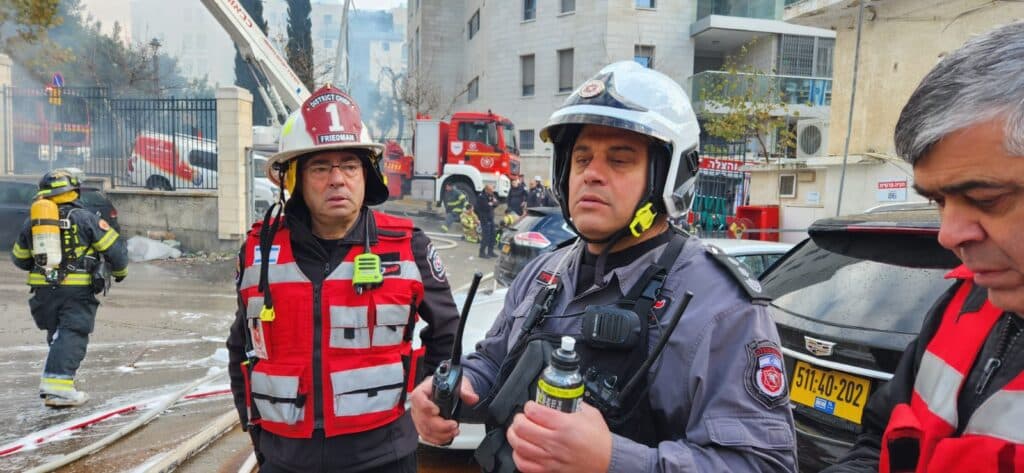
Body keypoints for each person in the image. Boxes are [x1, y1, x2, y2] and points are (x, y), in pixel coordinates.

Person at [410, 61, 796, 472]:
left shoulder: (720, 306)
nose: (591, 174)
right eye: (581, 158)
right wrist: (459, 386)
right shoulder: (545, 272)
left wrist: (615, 461)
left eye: (619, 160)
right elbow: (493, 359)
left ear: (668, 176)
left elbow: (763, 464)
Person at [226, 85, 459, 473]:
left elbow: (447, 336)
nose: (337, 179)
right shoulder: (257, 251)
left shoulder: (408, 247)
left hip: (383, 459)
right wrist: (257, 431)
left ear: (366, 175)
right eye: (320, 168)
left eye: (350, 166)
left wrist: (431, 402)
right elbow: (241, 346)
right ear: (296, 180)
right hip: (285, 460)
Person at [824, 23, 1024, 473]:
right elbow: (879, 443)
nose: (948, 235)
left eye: (986, 199)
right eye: (937, 201)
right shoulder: (964, 303)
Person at [11, 169, 128, 408]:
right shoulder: (86, 218)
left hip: (43, 290)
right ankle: (58, 388)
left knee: (58, 335)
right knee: (73, 332)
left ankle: (59, 383)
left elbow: (20, 259)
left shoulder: (34, 222)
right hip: (76, 290)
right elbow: (114, 250)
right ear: (73, 191)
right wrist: (119, 272)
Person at [477, 183, 499, 258]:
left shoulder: (491, 195)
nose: (492, 192)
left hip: (491, 218)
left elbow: (496, 203)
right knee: (486, 236)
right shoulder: (481, 197)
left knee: (493, 235)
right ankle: (482, 252)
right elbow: (486, 207)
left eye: (492, 190)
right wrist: (492, 204)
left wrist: (492, 203)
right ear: (486, 190)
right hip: (485, 219)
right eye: (490, 190)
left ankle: (490, 251)